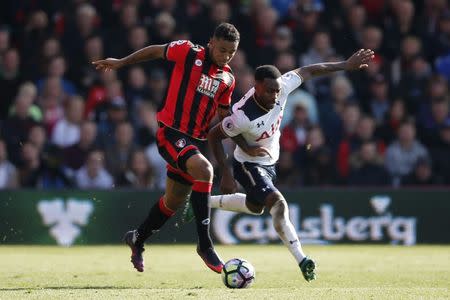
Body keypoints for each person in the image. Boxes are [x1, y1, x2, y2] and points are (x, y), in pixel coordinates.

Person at [184, 49, 374, 281]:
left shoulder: (282, 86)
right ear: (257, 87)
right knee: (278, 204)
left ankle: (201, 202)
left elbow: (310, 70)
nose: (275, 95)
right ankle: (303, 259)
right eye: (270, 91)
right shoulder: (242, 115)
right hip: (249, 165)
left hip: (269, 161)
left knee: (256, 207)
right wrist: (226, 172)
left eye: (277, 90)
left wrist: (345, 64)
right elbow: (214, 135)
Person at [92, 23, 240, 274]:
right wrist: (121, 62)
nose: (225, 56)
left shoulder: (227, 80)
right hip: (170, 133)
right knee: (204, 170)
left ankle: (137, 238)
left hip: (195, 142)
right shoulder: (188, 52)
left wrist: (231, 156)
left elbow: (223, 121)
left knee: (172, 202)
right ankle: (205, 245)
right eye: (222, 49)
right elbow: (154, 51)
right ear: (211, 42)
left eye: (231, 53)